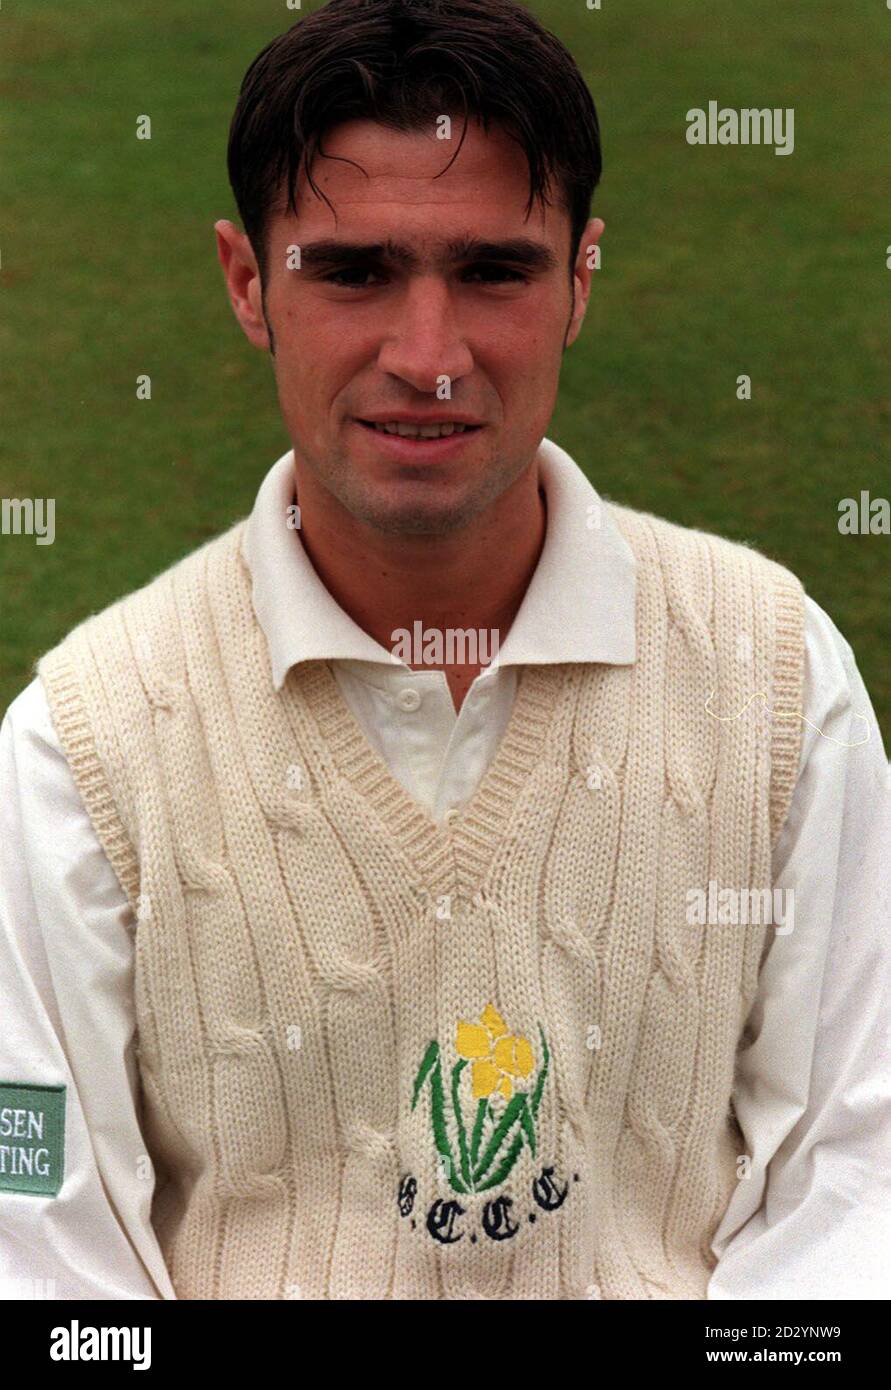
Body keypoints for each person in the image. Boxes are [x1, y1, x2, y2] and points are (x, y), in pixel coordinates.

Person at [1, 0, 888, 1301]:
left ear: (580, 279)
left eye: (493, 271)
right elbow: (40, 1258)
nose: (429, 358)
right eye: (353, 272)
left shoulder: (778, 676)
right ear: (249, 286)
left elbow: (857, 1175)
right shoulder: (78, 747)